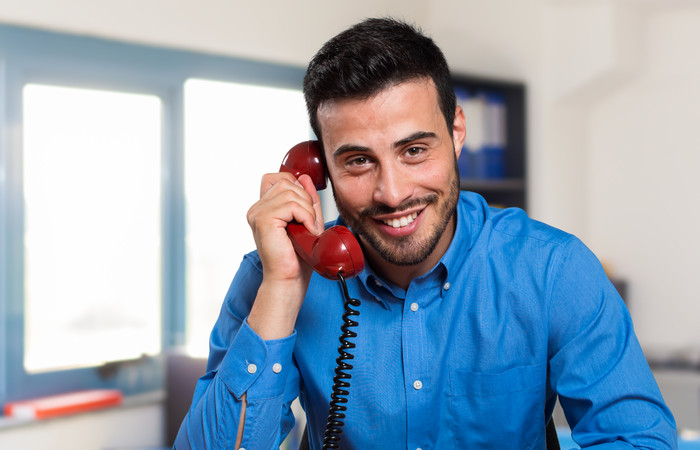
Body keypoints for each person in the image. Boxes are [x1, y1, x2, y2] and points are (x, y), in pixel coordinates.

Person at [175, 18, 677, 449]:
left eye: (414, 150)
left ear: (457, 132)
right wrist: (283, 287)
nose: (392, 193)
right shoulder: (269, 280)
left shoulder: (552, 269)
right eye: (357, 161)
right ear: (317, 169)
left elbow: (635, 437)